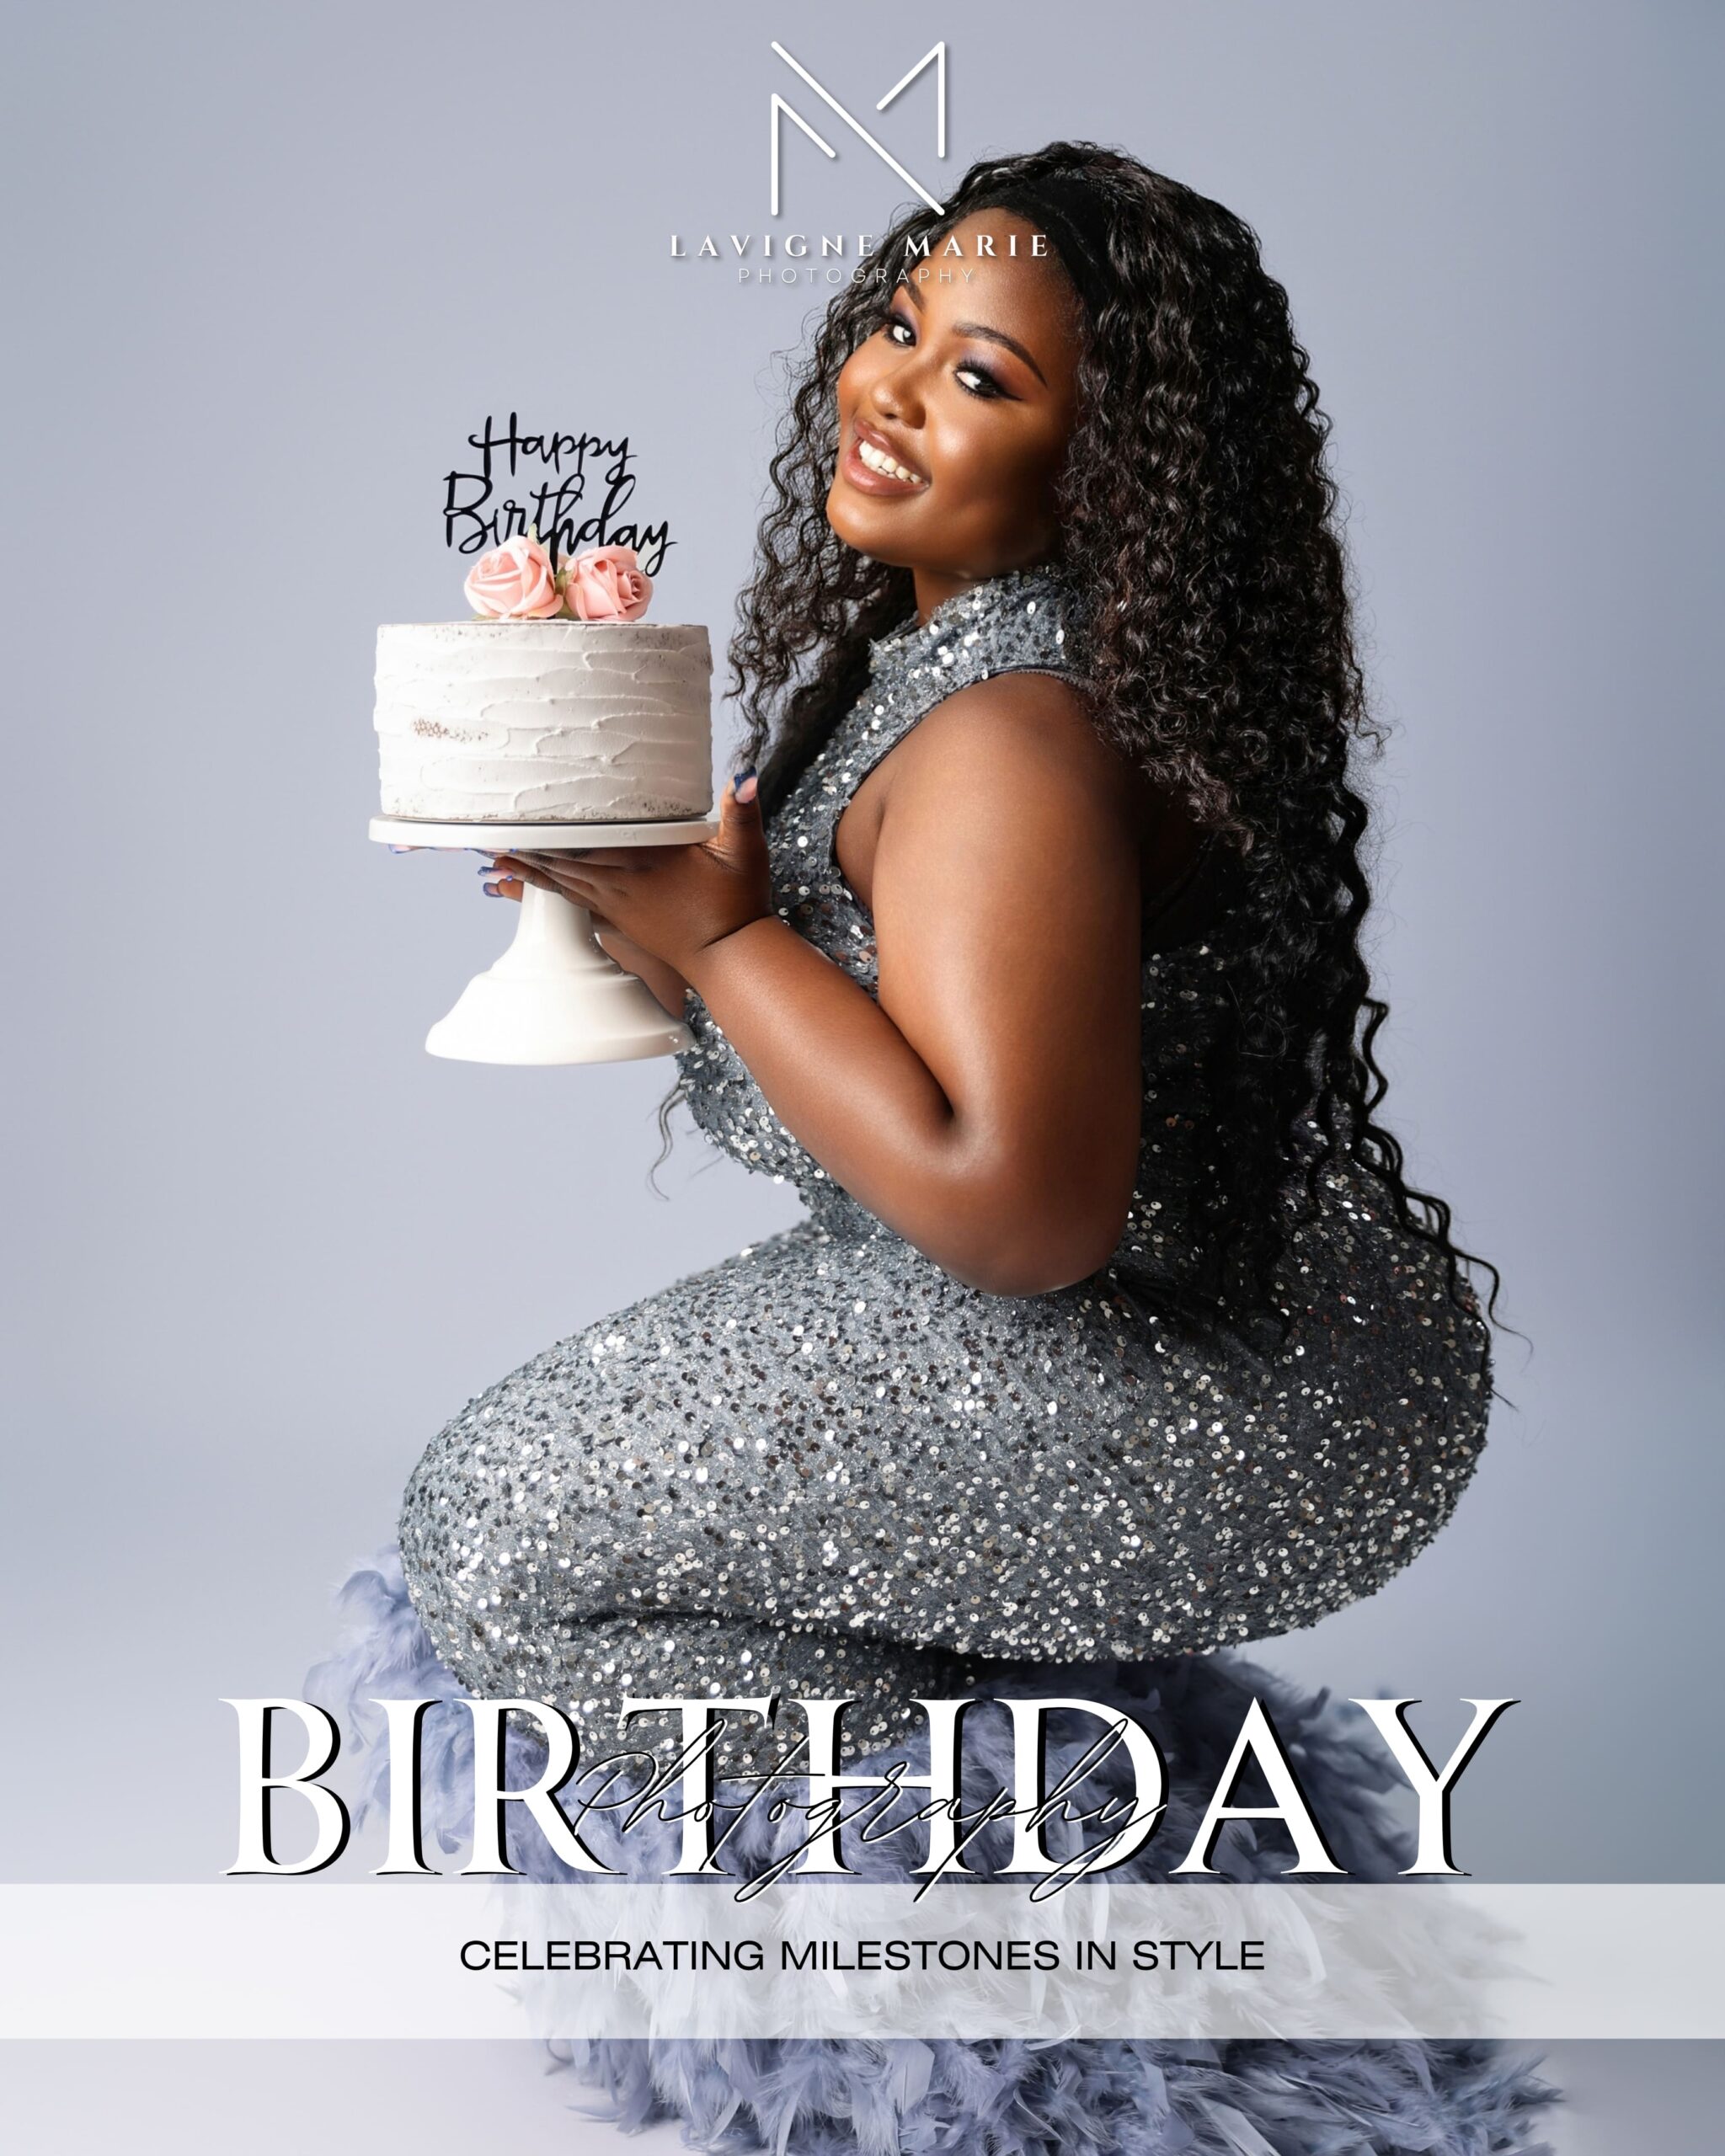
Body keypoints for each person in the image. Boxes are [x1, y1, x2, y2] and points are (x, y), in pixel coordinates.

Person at [396, 142, 1502, 1777]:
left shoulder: (1009, 735)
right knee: (533, 1519)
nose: (893, 390)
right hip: (1169, 1318)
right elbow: (885, 1042)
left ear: (1105, 470)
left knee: (498, 1536)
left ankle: (1027, 1841)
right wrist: (632, 916)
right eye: (900, 325)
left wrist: (723, 934)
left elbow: (1022, 1210)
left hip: (1220, 1386)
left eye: (980, 377)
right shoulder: (961, 662)